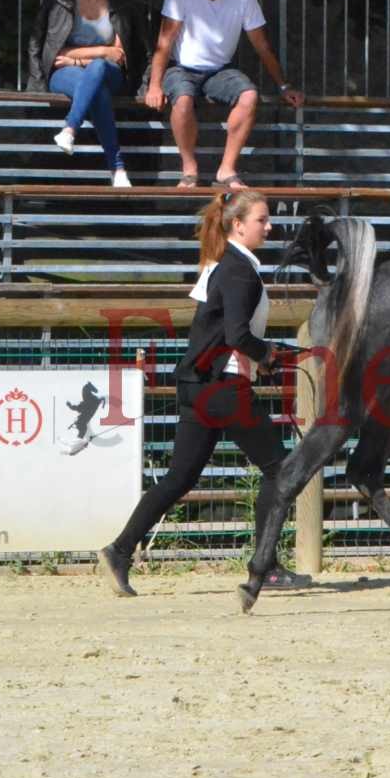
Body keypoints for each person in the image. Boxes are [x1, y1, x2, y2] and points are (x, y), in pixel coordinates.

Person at [97, 189, 308, 596]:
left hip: (198, 385)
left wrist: (260, 355)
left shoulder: (222, 265)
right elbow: (237, 335)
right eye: (262, 220)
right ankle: (267, 567)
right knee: (279, 469)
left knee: (179, 477)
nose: (269, 227)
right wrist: (265, 354)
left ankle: (120, 550)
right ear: (238, 224)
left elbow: (220, 333)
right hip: (223, 386)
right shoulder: (239, 271)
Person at [144, 0, 306, 189]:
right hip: (181, 67)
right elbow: (165, 41)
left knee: (250, 95)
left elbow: (261, 45)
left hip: (219, 69)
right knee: (184, 99)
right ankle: (189, 170)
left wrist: (284, 86)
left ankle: (227, 169)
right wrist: (155, 85)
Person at [26, 0, 149, 188]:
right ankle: (117, 168)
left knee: (99, 69)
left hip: (108, 72)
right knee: (98, 90)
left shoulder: (123, 3)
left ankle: (70, 129)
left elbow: (118, 54)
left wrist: (80, 56)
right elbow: (47, 45)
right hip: (63, 71)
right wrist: (101, 51)